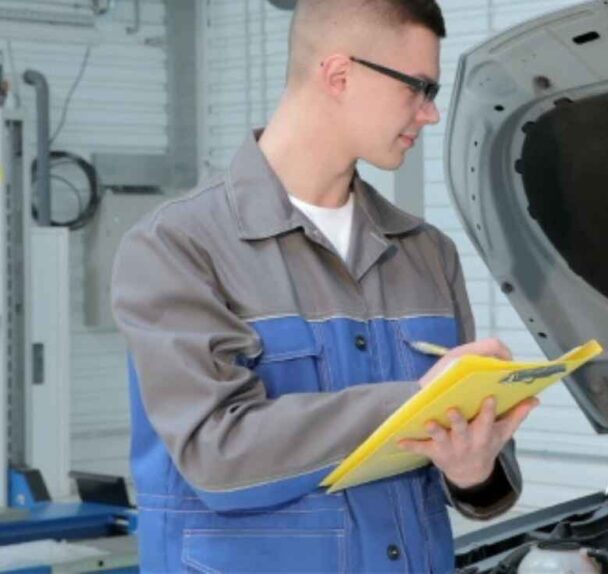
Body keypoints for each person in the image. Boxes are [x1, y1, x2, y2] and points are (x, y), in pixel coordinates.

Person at [110, 1, 537, 571]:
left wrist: (473, 471)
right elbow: (218, 456)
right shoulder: (178, 247)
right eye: (419, 87)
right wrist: (415, 405)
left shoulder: (426, 253)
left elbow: (483, 488)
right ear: (339, 74)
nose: (429, 114)